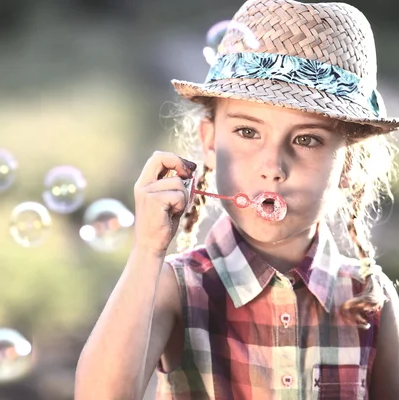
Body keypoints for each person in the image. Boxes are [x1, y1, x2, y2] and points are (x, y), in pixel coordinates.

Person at [74, 0, 399, 398]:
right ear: (210, 142)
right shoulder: (177, 288)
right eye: (248, 132)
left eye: (307, 139)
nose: (273, 165)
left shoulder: (369, 301)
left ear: (350, 165)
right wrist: (147, 251)